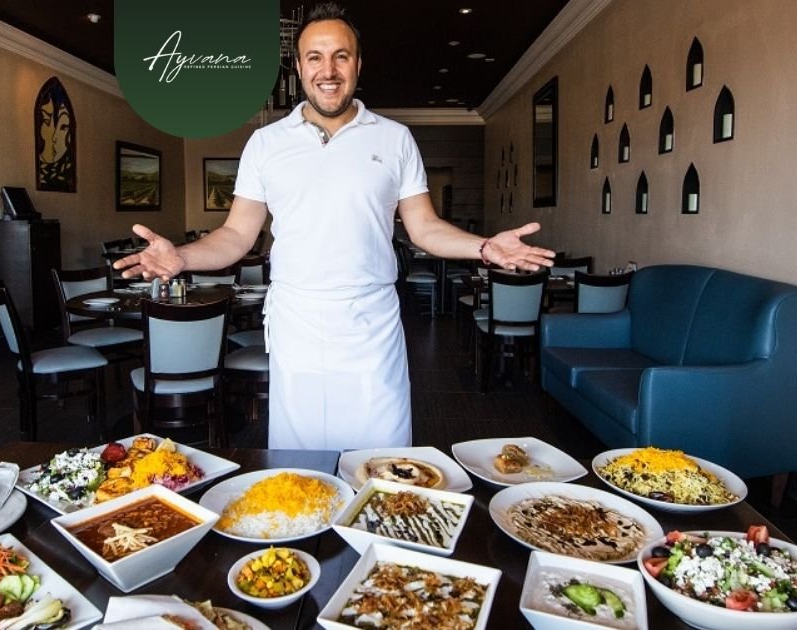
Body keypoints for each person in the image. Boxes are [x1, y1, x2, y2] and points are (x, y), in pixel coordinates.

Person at [114, 3, 553, 450]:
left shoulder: (395, 138)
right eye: (315, 57)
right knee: (301, 462)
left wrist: (484, 248)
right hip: (297, 322)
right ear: (299, 67)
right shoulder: (266, 143)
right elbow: (237, 235)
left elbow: (423, 227)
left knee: (383, 458)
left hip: (372, 323)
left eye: (341, 55)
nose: (329, 69)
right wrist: (182, 258)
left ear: (358, 65)